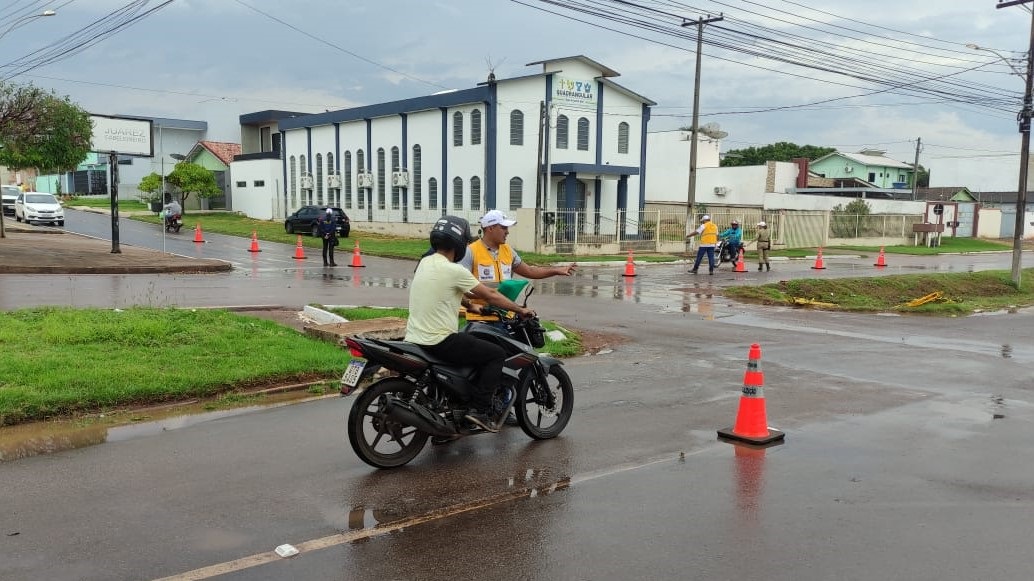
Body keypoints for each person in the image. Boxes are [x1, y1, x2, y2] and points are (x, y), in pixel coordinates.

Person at [406, 215, 535, 432]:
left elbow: (450, 290)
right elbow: (492, 295)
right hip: (440, 340)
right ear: (459, 244)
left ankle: (448, 420)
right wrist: (520, 310)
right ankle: (479, 411)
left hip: (414, 337)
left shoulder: (426, 263)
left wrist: (469, 305)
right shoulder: (454, 270)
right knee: (495, 354)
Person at [460, 209, 575, 325]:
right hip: (480, 317)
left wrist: (556, 271)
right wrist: (487, 296)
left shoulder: (508, 250)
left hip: (505, 316)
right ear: (490, 228)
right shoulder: (470, 252)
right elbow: (461, 288)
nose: (507, 232)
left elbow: (530, 271)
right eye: (503, 228)